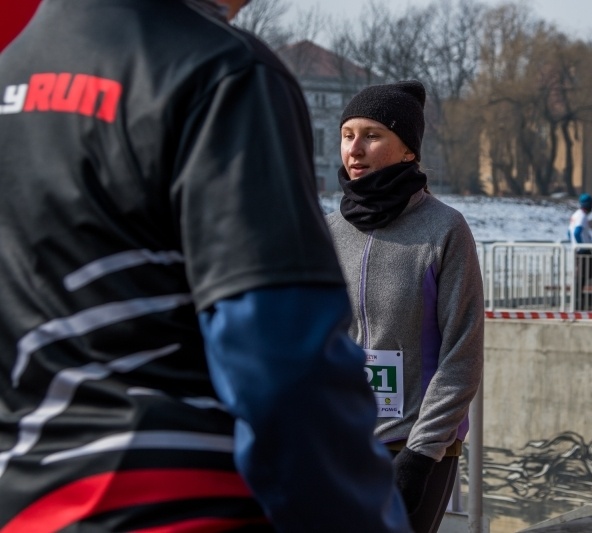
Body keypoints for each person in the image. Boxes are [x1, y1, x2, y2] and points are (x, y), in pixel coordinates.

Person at [0, 1, 409, 531]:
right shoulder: (222, 72)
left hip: (29, 502)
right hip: (179, 500)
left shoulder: (14, 70)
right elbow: (282, 360)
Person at [326, 80, 485, 533]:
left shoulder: (445, 230)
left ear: (408, 151)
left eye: (372, 135)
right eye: (347, 134)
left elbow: (463, 352)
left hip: (417, 446)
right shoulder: (327, 231)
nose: (354, 149)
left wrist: (420, 455)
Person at [568, 193, 592, 308]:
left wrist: (573, 244)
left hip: (578, 250)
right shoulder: (582, 216)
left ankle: (577, 300)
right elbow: (576, 232)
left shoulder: (575, 215)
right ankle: (578, 301)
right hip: (583, 251)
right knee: (582, 277)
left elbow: (569, 233)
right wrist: (581, 245)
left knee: (581, 276)